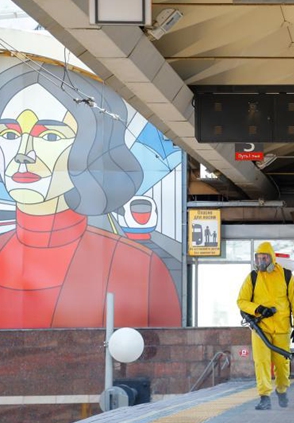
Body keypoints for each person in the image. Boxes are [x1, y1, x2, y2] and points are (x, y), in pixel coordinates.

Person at [0, 63, 180, 328]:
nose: (23, 153)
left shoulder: (141, 268)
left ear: (90, 148)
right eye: (10, 133)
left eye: (49, 136)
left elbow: (166, 356)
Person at [237, 241, 294, 410]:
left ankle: (282, 391)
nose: (261, 261)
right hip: (261, 329)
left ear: (272, 258)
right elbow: (241, 301)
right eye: (258, 258)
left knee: (282, 363)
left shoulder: (286, 276)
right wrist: (258, 309)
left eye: (264, 258)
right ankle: (264, 396)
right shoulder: (253, 278)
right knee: (261, 362)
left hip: (282, 329)